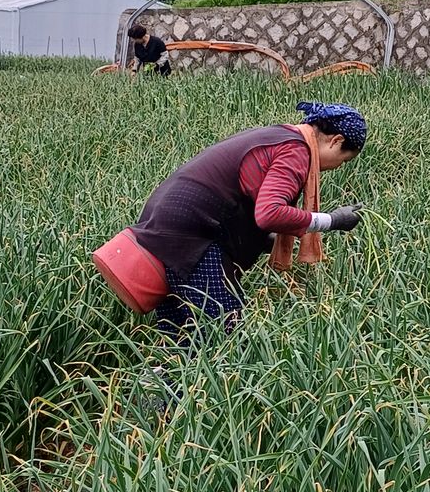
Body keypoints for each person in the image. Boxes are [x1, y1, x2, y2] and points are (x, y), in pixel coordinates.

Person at [129, 101, 367, 345]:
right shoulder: (296, 151)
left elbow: (241, 201)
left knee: (180, 335)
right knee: (225, 336)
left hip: (168, 227)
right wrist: (333, 220)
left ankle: (162, 379)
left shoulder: (279, 135)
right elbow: (270, 213)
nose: (338, 166)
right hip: (191, 236)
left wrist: (266, 241)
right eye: (344, 160)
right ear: (336, 141)